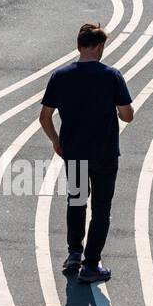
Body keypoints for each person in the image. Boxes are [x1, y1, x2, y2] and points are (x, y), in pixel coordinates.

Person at [38, 23, 134, 284]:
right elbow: (128, 115)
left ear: (79, 46)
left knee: (77, 200)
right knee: (101, 207)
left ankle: (74, 253)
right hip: (104, 153)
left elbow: (44, 116)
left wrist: (56, 142)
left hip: (75, 153)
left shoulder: (61, 76)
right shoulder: (111, 76)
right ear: (100, 47)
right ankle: (92, 264)